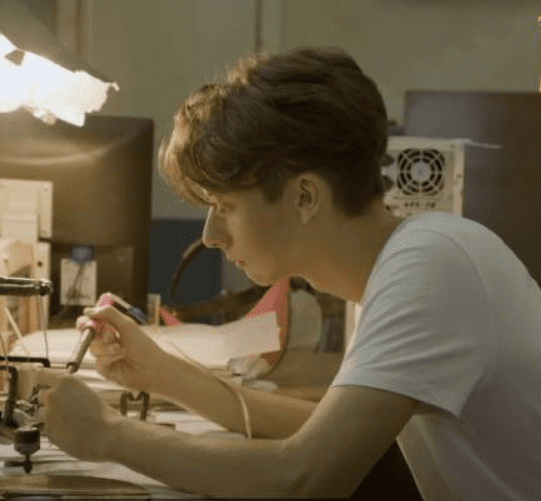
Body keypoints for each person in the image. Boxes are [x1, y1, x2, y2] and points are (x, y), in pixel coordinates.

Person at [38, 47, 541, 499]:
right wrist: (162, 373)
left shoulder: (431, 268)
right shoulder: (410, 260)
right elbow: (326, 430)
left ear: (304, 196)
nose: (211, 235)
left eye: (225, 206)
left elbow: (305, 476)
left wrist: (107, 434)